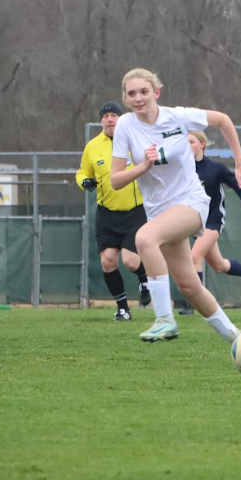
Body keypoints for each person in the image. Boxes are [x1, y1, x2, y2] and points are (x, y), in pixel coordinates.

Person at [109, 68, 241, 343]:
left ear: (156, 93)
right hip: (160, 213)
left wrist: (240, 162)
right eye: (132, 94)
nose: (138, 98)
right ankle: (236, 337)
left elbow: (223, 120)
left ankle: (165, 320)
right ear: (126, 99)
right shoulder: (126, 126)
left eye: (144, 91)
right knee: (189, 286)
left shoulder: (177, 116)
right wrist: (143, 166)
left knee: (144, 238)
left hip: (192, 203)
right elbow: (116, 180)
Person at [76, 101, 151, 321]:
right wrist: (85, 181)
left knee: (130, 261)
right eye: (105, 116)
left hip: (134, 212)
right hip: (106, 213)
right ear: (101, 120)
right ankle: (123, 309)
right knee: (108, 261)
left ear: (122, 118)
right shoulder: (93, 146)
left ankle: (144, 277)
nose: (110, 119)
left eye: (114, 115)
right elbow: (81, 172)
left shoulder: (134, 139)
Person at [187, 131, 241, 301]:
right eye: (184, 143)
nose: (188, 146)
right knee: (219, 265)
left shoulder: (216, 168)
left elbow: (238, 187)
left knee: (194, 257)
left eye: (191, 142)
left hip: (213, 220)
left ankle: (195, 302)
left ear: (202, 144)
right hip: (193, 222)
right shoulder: (182, 169)